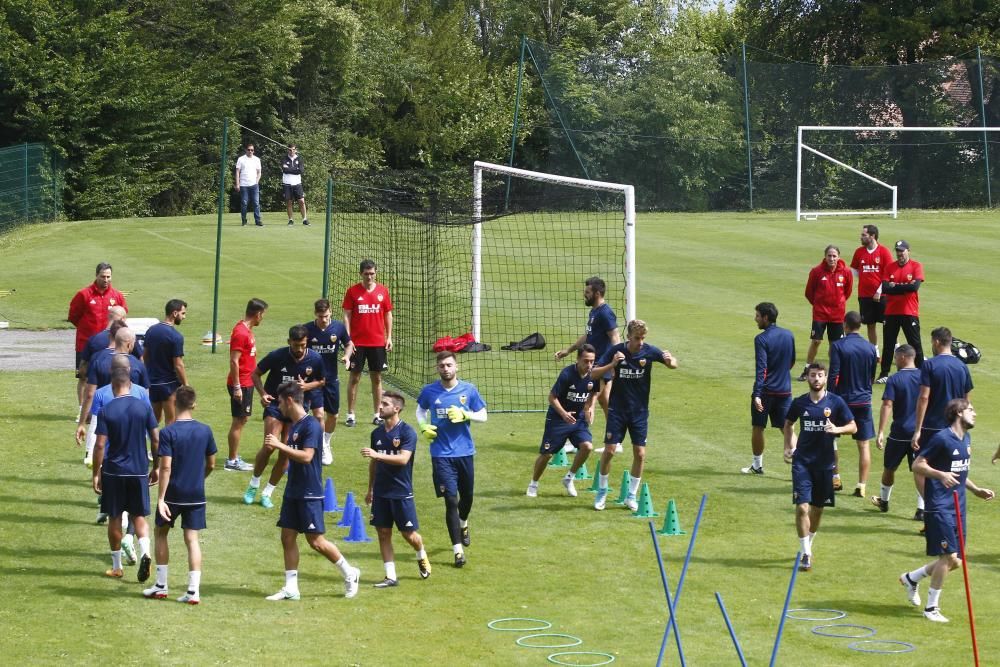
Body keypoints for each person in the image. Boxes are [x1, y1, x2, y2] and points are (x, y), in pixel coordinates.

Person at [898, 399, 993, 623]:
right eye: (971, 409)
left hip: (958, 507)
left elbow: (959, 472)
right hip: (939, 506)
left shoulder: (966, 439)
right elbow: (918, 465)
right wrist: (940, 475)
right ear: (959, 413)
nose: (975, 413)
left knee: (956, 561)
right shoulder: (942, 438)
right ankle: (931, 608)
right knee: (948, 556)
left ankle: (912, 578)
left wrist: (976, 490)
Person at [264, 382, 361, 601]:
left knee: (316, 541)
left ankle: (350, 573)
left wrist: (279, 446)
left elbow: (307, 456)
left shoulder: (312, 426)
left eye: (280, 401)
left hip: (310, 492)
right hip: (293, 491)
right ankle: (291, 588)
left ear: (289, 400)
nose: (278, 406)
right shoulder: (296, 425)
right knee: (287, 537)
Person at [591, 319, 678, 512]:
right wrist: (612, 364)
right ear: (628, 336)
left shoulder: (649, 351)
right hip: (617, 411)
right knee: (610, 451)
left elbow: (673, 364)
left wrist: (671, 360)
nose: (640, 342)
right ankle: (602, 492)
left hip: (639, 413)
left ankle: (631, 496)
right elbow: (594, 373)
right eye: (637, 338)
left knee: (640, 454)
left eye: (643, 338)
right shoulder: (616, 351)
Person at [143, 386, 216, 604]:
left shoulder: (168, 432)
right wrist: (200, 478)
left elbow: (165, 467)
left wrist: (160, 498)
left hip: (174, 493)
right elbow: (211, 463)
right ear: (194, 404)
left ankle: (161, 585)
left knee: (161, 533)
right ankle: (193, 591)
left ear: (174, 404)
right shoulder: (205, 430)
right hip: (196, 493)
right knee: (192, 539)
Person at [782, 363, 857, 572]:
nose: (816, 379)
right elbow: (788, 424)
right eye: (813, 375)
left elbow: (853, 426)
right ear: (807, 378)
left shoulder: (836, 402)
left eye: (820, 376)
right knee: (802, 507)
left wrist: (837, 428)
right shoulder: (799, 403)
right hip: (802, 462)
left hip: (825, 464)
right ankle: (805, 552)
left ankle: (809, 543)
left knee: (817, 510)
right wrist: (789, 446)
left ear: (825, 379)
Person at [416, 351, 487, 567]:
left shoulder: (469, 390)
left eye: (449, 365)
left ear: (456, 367)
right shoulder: (429, 391)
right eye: (442, 366)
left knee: (467, 498)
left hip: (465, 452)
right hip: (441, 455)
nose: (445, 369)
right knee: (450, 500)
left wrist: (467, 415)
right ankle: (457, 551)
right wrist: (423, 426)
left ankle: (463, 523)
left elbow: (483, 415)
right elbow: (420, 411)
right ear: (437, 369)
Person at [242, 326, 325, 508]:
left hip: (298, 410)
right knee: (269, 445)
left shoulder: (315, 359)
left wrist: (307, 387)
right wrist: (263, 393)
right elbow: (255, 373)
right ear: (289, 342)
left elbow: (322, 381)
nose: (300, 349)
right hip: (276, 405)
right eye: (296, 345)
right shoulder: (277, 356)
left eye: (303, 345)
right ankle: (253, 485)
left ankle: (267, 492)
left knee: (287, 451)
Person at [92, 366, 160, 581]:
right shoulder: (144, 407)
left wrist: (96, 473)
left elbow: (100, 445)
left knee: (114, 517)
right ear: (130, 384)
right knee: (138, 516)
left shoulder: (107, 410)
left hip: (113, 471)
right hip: (139, 470)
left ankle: (117, 566)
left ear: (113, 386)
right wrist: (156, 466)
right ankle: (146, 554)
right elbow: (156, 439)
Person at [361, 391, 431, 587]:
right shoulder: (376, 434)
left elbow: (403, 459)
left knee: (409, 534)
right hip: (381, 492)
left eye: (384, 404)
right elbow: (374, 464)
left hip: (401, 492)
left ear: (396, 408)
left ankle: (421, 554)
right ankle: (391, 576)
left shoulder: (407, 432)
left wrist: (377, 455)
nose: (380, 406)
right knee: (383, 533)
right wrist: (370, 489)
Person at [910, 327, 973, 521]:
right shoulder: (962, 366)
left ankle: (932, 510)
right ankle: (947, 510)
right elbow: (966, 400)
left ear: (937, 341)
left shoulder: (930, 365)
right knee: (953, 469)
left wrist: (917, 429)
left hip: (932, 425)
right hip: (955, 427)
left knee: (920, 467)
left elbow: (924, 397)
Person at [527, 345, 598, 498]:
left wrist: (590, 408)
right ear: (578, 359)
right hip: (558, 419)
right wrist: (564, 414)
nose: (589, 365)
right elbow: (552, 397)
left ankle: (569, 478)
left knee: (587, 447)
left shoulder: (594, 375)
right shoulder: (567, 374)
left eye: (592, 361)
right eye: (586, 361)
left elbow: (594, 393)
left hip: (578, 420)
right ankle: (533, 483)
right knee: (546, 454)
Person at [829, 311, 879, 497]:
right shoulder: (870, 348)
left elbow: (834, 374)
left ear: (845, 324)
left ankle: (836, 477)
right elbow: (872, 375)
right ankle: (861, 485)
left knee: (831, 438)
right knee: (864, 444)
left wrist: (830, 398)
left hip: (842, 400)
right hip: (863, 400)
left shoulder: (838, 346)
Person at [555, 277, 620, 419]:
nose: (585, 294)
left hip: (600, 363)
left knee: (588, 402)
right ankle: (615, 435)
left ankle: (581, 437)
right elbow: (588, 335)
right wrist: (568, 350)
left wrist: (616, 363)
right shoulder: (595, 312)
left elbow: (615, 337)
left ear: (597, 293)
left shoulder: (605, 313)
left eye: (588, 292)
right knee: (604, 401)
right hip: (596, 362)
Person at [744, 302, 796, 475]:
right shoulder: (789, 335)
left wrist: (757, 394)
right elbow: (792, 362)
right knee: (787, 428)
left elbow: (762, 369)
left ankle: (757, 465)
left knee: (758, 426)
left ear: (766, 318)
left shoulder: (761, 339)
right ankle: (799, 467)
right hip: (785, 390)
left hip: (766, 392)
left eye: (758, 316)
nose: (755, 319)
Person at [870, 345, 922, 515]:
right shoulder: (925, 377)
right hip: (920, 433)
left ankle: (884, 502)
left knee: (889, 468)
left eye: (895, 357)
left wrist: (880, 432)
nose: (894, 361)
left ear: (903, 357)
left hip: (899, 432)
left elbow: (887, 405)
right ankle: (921, 510)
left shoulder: (895, 379)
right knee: (920, 470)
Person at [68, 263, 127, 411]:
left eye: (108, 276)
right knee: (84, 376)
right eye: (103, 276)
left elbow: (123, 315)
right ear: (96, 275)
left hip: (109, 343)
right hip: (86, 342)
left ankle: (108, 406)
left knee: (109, 375)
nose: (106, 280)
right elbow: (74, 316)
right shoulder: (84, 294)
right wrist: (87, 330)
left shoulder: (116, 296)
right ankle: (83, 410)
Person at [342, 260, 393, 427]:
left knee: (377, 378)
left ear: (376, 273)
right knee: (354, 377)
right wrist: (348, 339)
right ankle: (350, 414)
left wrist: (389, 337)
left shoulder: (383, 291)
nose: (369, 276)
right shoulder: (352, 291)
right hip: (358, 343)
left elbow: (388, 314)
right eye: (366, 273)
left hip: (377, 342)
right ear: (361, 274)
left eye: (372, 273)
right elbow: (347, 315)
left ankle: (378, 414)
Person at [304, 299, 353, 466]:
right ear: (315, 314)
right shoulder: (308, 329)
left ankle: (325, 442)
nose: (323, 319)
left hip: (331, 379)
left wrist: (347, 356)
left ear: (330, 312)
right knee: (318, 414)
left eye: (325, 316)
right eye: (320, 316)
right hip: (314, 380)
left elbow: (348, 343)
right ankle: (321, 448)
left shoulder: (338, 327)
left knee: (334, 415)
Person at [224, 298, 267, 472]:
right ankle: (232, 460)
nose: (262, 318)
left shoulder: (245, 329)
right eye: (262, 315)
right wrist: (236, 387)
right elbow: (234, 361)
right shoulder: (241, 333)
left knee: (242, 419)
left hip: (246, 382)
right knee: (238, 421)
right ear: (257, 314)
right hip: (241, 383)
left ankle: (234, 457)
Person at [79, 325, 150, 427]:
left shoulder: (98, 360)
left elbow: (90, 394)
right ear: (129, 344)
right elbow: (145, 396)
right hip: (130, 419)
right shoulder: (138, 365)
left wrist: (82, 423)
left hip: (101, 417)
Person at [799, 245, 853, 380]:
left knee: (834, 345)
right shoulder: (816, 271)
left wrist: (838, 303)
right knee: (816, 341)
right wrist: (818, 305)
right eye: (829, 255)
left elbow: (848, 291)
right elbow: (809, 292)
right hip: (820, 314)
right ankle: (807, 368)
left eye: (834, 256)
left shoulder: (846, 272)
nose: (832, 258)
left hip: (837, 315)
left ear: (838, 257)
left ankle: (835, 371)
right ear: (825, 256)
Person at [877, 240, 924, 382]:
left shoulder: (916, 266)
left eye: (902, 251)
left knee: (915, 343)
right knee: (888, 344)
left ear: (908, 251)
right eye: (897, 251)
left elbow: (914, 287)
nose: (899, 254)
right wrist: (903, 287)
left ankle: (922, 372)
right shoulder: (890, 267)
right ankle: (884, 374)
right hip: (891, 312)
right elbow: (885, 288)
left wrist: (895, 287)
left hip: (909, 311)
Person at [143, 299, 188, 426]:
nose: (184, 317)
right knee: (171, 422)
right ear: (174, 313)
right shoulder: (176, 336)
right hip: (169, 385)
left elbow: (145, 356)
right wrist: (186, 384)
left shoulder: (151, 330)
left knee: (154, 421)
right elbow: (178, 365)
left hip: (153, 384)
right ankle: (168, 447)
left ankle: (153, 446)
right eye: (183, 313)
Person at [850, 225, 893, 346]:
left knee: (888, 324)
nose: (861, 237)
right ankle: (875, 350)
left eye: (864, 235)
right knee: (870, 324)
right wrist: (864, 279)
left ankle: (895, 348)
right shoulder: (859, 252)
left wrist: (879, 290)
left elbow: (889, 273)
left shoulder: (884, 252)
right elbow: (854, 269)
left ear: (872, 236)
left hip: (882, 295)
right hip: (864, 295)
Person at [234, 143, 262, 226]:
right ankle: (244, 221)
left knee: (256, 203)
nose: (250, 151)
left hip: (254, 185)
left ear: (254, 151)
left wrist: (256, 181)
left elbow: (259, 172)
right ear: (246, 150)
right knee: (244, 203)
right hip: (243, 185)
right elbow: (237, 172)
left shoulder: (257, 159)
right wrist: (237, 184)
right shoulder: (241, 159)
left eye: (252, 150)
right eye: (249, 149)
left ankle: (258, 221)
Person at [281, 144, 308, 226]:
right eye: (290, 149)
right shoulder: (284, 159)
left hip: (297, 184)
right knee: (289, 202)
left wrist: (290, 169)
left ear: (296, 150)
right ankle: (291, 220)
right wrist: (295, 169)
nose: (291, 151)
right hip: (287, 184)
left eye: (293, 149)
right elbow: (284, 170)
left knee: (301, 201)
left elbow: (301, 171)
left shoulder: (299, 159)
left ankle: (305, 219)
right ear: (287, 150)